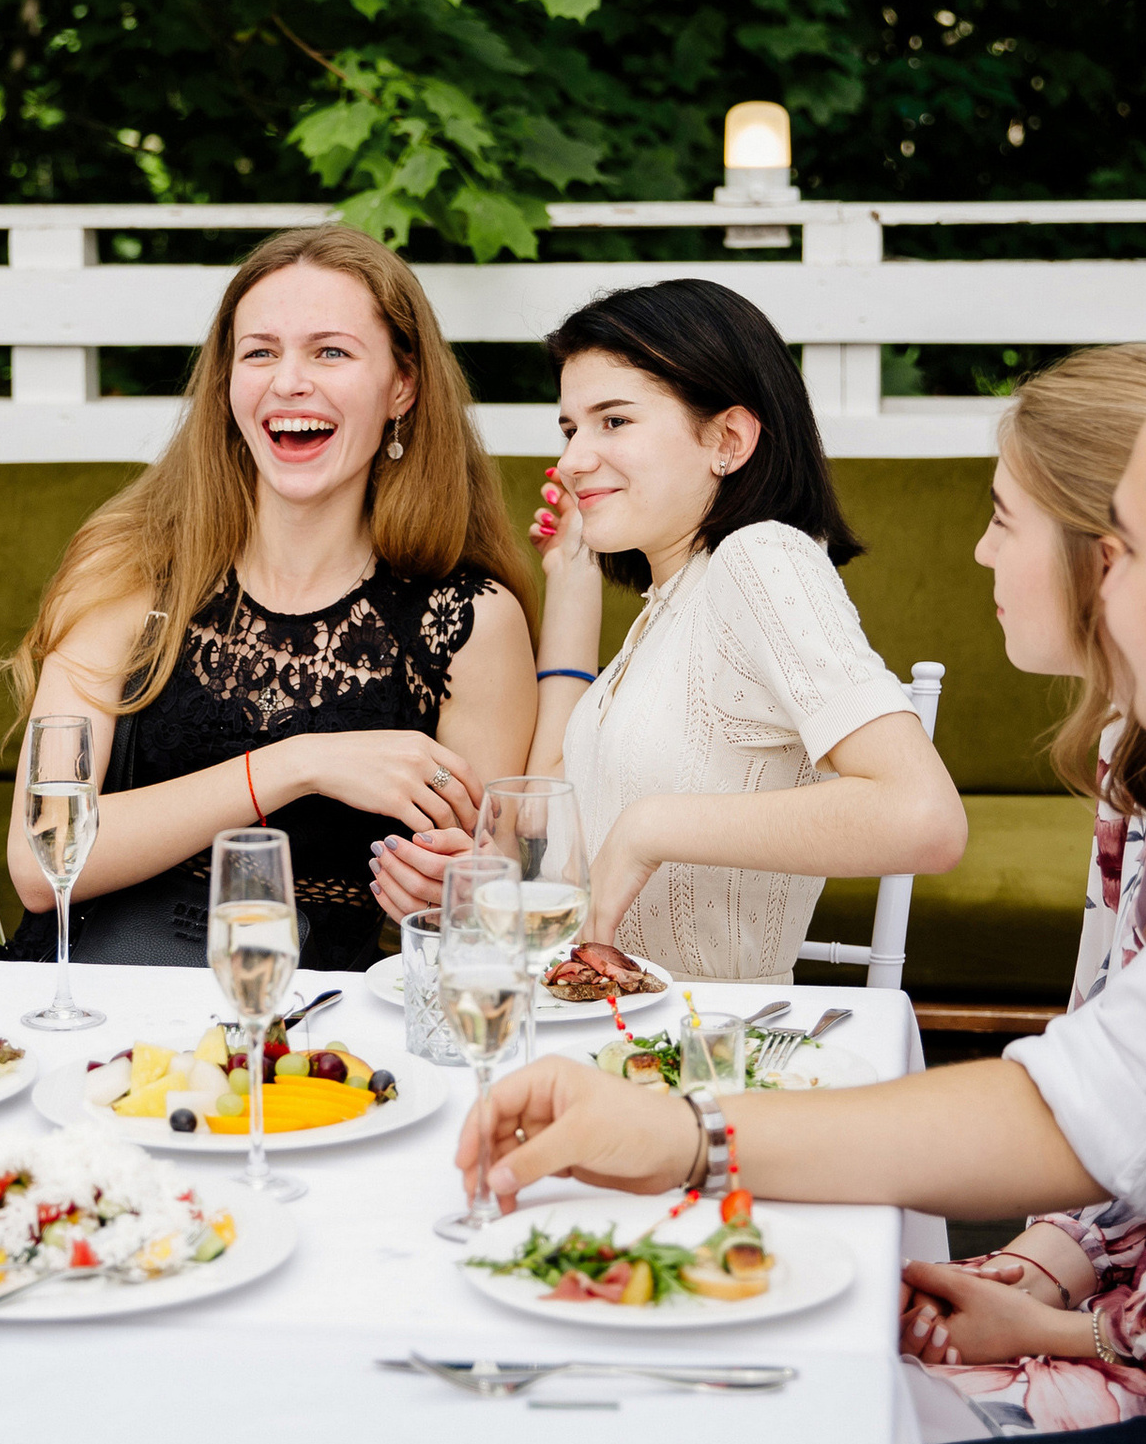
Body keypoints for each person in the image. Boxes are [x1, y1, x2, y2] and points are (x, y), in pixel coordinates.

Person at [460, 330, 1146, 1444]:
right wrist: (676, 1131)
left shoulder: (758, 563)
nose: (983, 558)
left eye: (1130, 552)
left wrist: (1080, 1334)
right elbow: (1078, 1103)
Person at [377, 279, 965, 982]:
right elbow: (553, 809)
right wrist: (573, 577)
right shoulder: (672, 605)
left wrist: (651, 830)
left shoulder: (760, 558)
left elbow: (923, 815)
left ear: (729, 439)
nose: (571, 460)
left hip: (717, 1050)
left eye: (613, 421)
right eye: (569, 429)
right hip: (621, 1036)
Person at [0, 224, 538, 970]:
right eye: (260, 352)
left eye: (331, 351)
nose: (290, 381)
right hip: (95, 995)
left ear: (402, 386)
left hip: (320, 1040)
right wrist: (296, 763)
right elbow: (39, 858)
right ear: (228, 388)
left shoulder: (469, 621)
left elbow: (483, 888)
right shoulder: (130, 573)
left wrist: (449, 892)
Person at [903, 345, 1146, 1434]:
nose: (977, 550)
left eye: (1003, 518)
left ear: (1109, 556)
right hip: (1122, 1300)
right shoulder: (1132, 761)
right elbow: (1120, 1088)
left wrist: (1046, 1327)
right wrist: (1040, 1260)